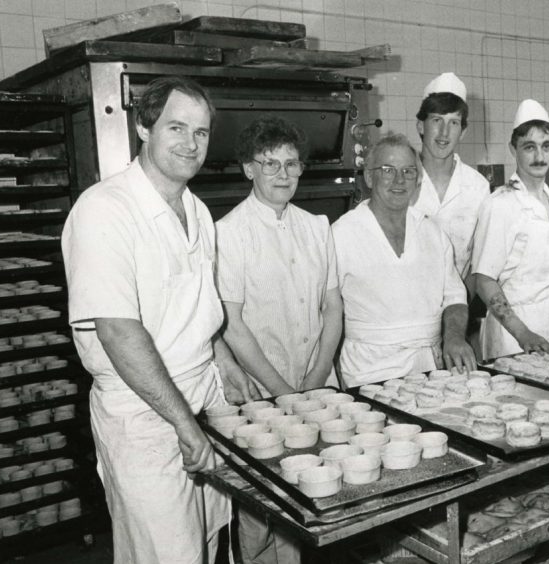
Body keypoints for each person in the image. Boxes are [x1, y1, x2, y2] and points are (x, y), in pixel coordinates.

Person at [62, 76, 254, 564]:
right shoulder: (105, 211)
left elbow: (193, 309)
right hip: (145, 417)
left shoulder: (198, 212)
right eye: (176, 127)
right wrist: (184, 424)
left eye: (202, 132)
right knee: (166, 554)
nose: (191, 144)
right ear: (144, 129)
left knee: (211, 541)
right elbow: (118, 332)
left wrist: (223, 359)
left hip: (200, 401)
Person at [215, 116, 342, 564]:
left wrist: (318, 375)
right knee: (261, 506)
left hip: (315, 384)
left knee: (312, 496)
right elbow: (232, 324)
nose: (283, 175)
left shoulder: (316, 226)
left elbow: (332, 307)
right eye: (270, 164)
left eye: (291, 164)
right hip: (261, 393)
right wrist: (283, 391)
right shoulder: (229, 233)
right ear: (248, 169)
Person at [332, 133, 477, 386]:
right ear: (368, 176)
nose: (399, 180)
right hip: (369, 372)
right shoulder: (342, 233)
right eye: (388, 170)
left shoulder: (432, 232)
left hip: (431, 368)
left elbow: (454, 297)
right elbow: (326, 311)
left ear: (417, 180)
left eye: (408, 171)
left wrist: (454, 337)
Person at [471, 99, 549, 360]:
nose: (539, 157)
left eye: (546, 147)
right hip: (512, 332)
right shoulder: (500, 204)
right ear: (513, 149)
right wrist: (523, 334)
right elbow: (484, 280)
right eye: (529, 147)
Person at [411, 72, 490, 289]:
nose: (444, 133)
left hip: (458, 305)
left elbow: (480, 261)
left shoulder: (478, 187)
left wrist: (461, 307)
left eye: (454, 123)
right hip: (405, 302)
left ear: (463, 132)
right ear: (420, 126)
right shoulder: (402, 182)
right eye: (437, 120)